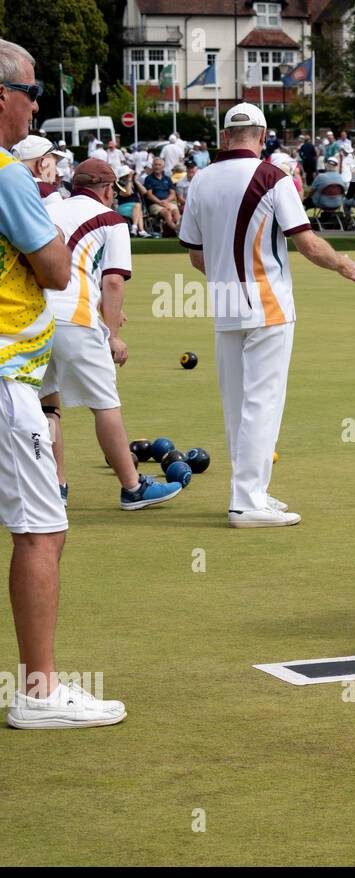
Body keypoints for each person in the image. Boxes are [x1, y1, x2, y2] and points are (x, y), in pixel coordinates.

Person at [0, 38, 127, 729]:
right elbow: (53, 269)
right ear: (1, 97)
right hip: (5, 378)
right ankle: (40, 693)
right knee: (42, 532)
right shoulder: (6, 175)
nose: (36, 105)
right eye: (30, 92)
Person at [178, 103, 355, 528]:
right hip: (268, 304)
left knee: (236, 404)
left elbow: (195, 256)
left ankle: (250, 492)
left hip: (226, 303)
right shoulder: (272, 178)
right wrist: (340, 263)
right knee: (263, 401)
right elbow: (307, 242)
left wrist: (228, 277)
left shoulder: (201, 180)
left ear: (226, 136)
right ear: (262, 135)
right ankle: (246, 502)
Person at [37, 158, 185, 511]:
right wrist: (113, 333)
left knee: (46, 406)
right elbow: (114, 280)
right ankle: (132, 488)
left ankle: (53, 487)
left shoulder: (48, 210)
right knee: (105, 403)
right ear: (106, 189)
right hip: (76, 319)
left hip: (37, 318)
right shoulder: (112, 221)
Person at [141, 156, 181, 233]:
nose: (157, 167)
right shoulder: (148, 179)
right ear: (152, 166)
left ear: (163, 167)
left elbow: (173, 194)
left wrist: (166, 201)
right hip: (155, 204)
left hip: (168, 202)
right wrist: (160, 202)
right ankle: (178, 230)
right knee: (166, 212)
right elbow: (149, 195)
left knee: (176, 212)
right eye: (155, 165)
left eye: (159, 165)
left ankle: (180, 230)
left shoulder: (167, 178)